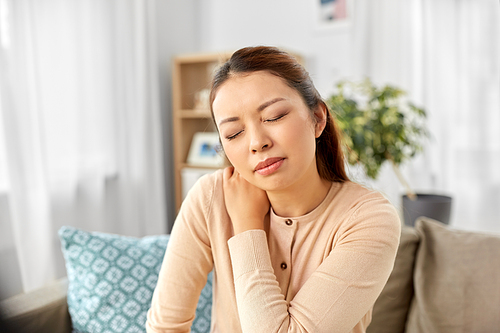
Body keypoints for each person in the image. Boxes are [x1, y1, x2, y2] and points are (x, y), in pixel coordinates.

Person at [146, 46, 401, 333]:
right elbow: (164, 326)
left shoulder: (368, 218)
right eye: (234, 133)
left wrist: (247, 225)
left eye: (274, 116)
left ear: (317, 118)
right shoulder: (210, 196)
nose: (257, 142)